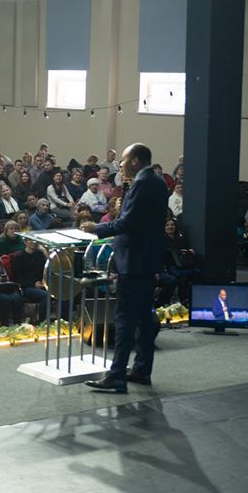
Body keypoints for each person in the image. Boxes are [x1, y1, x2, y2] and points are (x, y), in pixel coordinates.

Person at [83, 143, 168, 393]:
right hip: (145, 261)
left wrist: (96, 228)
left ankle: (117, 374)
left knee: (124, 319)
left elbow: (128, 222)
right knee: (143, 318)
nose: (120, 165)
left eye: (123, 160)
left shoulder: (143, 183)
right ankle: (141, 369)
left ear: (135, 161)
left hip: (134, 262)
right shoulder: (157, 181)